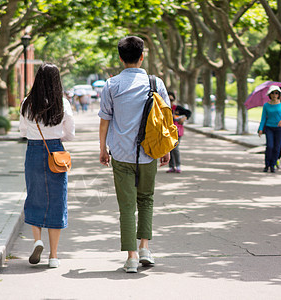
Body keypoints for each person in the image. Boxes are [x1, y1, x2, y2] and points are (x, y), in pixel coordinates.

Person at [98, 36, 170, 273]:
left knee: (126, 205)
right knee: (146, 198)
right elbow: (166, 116)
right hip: (149, 152)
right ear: (142, 57)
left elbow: (105, 119)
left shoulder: (111, 85)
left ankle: (131, 258)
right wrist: (166, 148)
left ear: (120, 58)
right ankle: (145, 248)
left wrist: (102, 149)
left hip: (120, 154)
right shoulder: (155, 83)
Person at [19, 63, 75, 268]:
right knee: (57, 201)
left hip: (34, 150)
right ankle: (54, 256)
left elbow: (22, 131)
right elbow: (70, 132)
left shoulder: (27, 102)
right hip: (56, 153)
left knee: (34, 196)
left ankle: (37, 241)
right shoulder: (62, 103)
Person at [258, 85, 281, 173]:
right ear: (269, 94)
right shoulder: (266, 105)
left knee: (277, 148)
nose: (274, 95)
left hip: (279, 128)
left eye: (276, 93)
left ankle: (273, 165)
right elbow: (263, 118)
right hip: (269, 128)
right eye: (272, 93)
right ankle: (266, 164)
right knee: (270, 146)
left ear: (279, 94)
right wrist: (260, 129)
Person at [166, 91, 191, 173]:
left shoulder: (177, 108)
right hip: (167, 132)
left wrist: (184, 118)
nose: (170, 101)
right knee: (169, 149)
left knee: (175, 148)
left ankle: (178, 165)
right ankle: (171, 167)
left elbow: (188, 112)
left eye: (171, 99)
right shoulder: (164, 108)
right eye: (168, 99)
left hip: (177, 132)